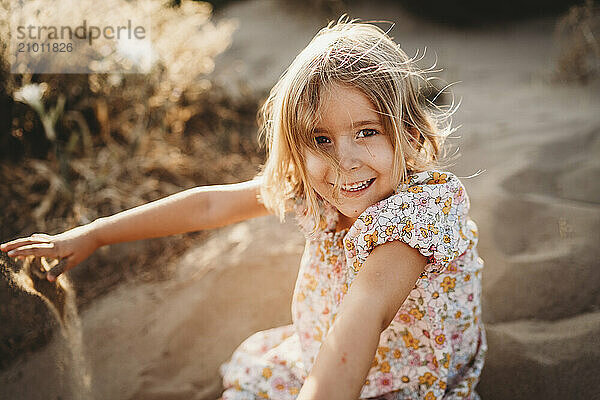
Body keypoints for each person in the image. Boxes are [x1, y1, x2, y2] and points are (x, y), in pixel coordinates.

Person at [1, 18, 487, 400]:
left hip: (406, 381)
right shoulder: (318, 191)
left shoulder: (419, 217)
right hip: (323, 356)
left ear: (408, 131)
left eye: (366, 132)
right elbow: (211, 204)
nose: (345, 161)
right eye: (321, 139)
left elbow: (361, 318)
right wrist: (96, 234)